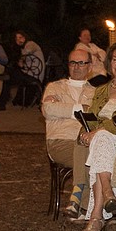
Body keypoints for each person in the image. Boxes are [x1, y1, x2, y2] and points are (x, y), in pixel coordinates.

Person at [76, 42, 116, 231]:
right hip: (103, 142)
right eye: (115, 60)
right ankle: (104, 201)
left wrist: (99, 131)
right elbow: (93, 117)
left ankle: (96, 213)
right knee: (101, 140)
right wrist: (86, 131)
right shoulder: (101, 90)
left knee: (101, 137)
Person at [41, 48, 96, 217]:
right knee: (92, 160)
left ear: (90, 66)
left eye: (81, 63)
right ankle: (90, 209)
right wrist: (81, 110)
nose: (77, 67)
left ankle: (77, 202)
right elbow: (48, 109)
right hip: (60, 140)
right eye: (73, 62)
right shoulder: (55, 87)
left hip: (87, 142)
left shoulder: (95, 92)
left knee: (91, 152)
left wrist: (63, 109)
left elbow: (97, 117)